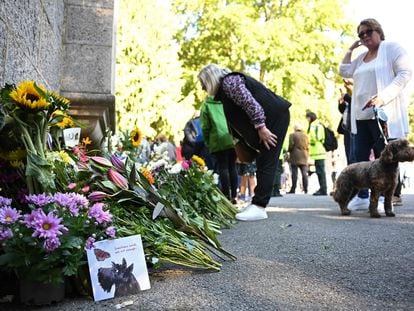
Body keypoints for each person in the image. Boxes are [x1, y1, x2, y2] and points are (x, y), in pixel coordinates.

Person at [198, 64, 291, 221]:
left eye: (203, 83)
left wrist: (261, 127)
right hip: (271, 119)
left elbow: (250, 103)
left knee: (267, 160)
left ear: (210, 79)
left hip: (273, 119)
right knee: (264, 160)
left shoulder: (229, 82)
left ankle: (260, 206)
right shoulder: (225, 89)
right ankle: (257, 203)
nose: (202, 88)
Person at [339, 18, 412, 210]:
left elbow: (405, 73)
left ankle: (383, 199)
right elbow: (343, 71)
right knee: (359, 157)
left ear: (379, 31)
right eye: (360, 34)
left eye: (368, 32)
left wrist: (383, 97)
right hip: (360, 116)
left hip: (382, 112)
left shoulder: (391, 48)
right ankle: (362, 196)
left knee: (386, 157)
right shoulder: (361, 57)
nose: (364, 36)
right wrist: (351, 49)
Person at [200, 96, 238, 203]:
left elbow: (205, 127)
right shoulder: (227, 100)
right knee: (232, 165)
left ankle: (227, 195)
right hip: (232, 137)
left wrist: (208, 142)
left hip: (218, 140)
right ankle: (235, 195)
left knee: (223, 167)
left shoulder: (206, 105)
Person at [306, 111, 327, 196]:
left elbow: (317, 138)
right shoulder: (318, 125)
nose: (307, 120)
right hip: (319, 151)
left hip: (318, 152)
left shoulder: (314, 126)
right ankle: (322, 188)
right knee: (320, 171)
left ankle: (323, 189)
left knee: (320, 171)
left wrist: (311, 141)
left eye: (307, 118)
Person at [287, 124, 309, 194]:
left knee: (294, 173)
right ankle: (306, 189)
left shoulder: (292, 135)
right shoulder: (305, 136)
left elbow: (291, 145)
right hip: (304, 155)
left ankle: (293, 189)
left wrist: (289, 151)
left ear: (295, 128)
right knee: (304, 174)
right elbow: (308, 145)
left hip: (295, 155)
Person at [337, 79, 355, 165]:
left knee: (354, 154)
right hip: (347, 127)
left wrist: (347, 98)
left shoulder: (356, 93)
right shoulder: (346, 95)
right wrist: (341, 103)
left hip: (355, 126)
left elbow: (356, 104)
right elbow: (343, 110)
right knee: (349, 154)